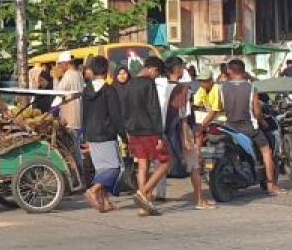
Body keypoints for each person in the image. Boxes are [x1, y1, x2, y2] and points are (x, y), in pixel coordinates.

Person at [204, 59, 282, 196]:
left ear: (230, 71)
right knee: (267, 152)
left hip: (229, 127)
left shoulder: (222, 88)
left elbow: (217, 108)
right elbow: (257, 112)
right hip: (249, 129)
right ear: (243, 71)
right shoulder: (251, 88)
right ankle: (271, 185)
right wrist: (263, 122)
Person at [119, 56, 172, 216]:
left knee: (142, 166)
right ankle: (143, 193)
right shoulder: (149, 84)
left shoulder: (129, 84)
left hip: (133, 131)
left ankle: (144, 206)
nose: (156, 76)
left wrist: (127, 130)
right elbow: (154, 110)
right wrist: (160, 135)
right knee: (166, 163)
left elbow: (124, 110)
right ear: (153, 70)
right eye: (157, 73)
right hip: (149, 130)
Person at [164, 57, 214, 210]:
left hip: (164, 131)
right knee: (194, 166)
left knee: (163, 165)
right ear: (177, 69)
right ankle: (200, 200)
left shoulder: (161, 87)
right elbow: (184, 115)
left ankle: (145, 193)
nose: (183, 70)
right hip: (181, 131)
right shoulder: (183, 90)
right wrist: (186, 138)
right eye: (182, 67)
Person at [81, 56, 123, 213]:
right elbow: (116, 115)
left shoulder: (86, 90)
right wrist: (123, 135)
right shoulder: (109, 90)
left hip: (91, 133)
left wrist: (84, 135)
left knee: (101, 169)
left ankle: (105, 202)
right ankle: (93, 190)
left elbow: (84, 114)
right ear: (107, 71)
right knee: (113, 168)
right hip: (106, 134)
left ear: (92, 71)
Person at [56, 54, 85, 136]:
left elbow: (58, 92)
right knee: (77, 142)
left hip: (69, 119)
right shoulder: (79, 74)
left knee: (72, 143)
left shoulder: (68, 74)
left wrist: (55, 78)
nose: (60, 67)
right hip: (78, 116)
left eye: (61, 64)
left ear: (66, 63)